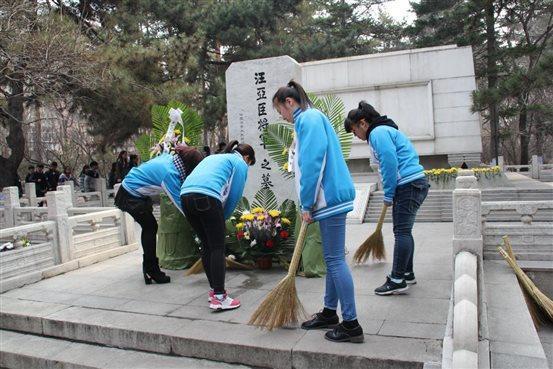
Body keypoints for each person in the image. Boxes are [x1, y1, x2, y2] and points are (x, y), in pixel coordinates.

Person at [272, 80, 363, 343]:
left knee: (334, 260)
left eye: (281, 111)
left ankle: (351, 324)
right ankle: (329, 312)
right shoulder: (309, 119)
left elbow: (313, 164)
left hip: (328, 198)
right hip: (330, 197)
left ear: (289, 103)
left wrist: (307, 204)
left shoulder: (308, 119)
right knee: (332, 258)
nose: (283, 117)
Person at [344, 101, 429, 296]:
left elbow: (389, 162)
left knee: (401, 232)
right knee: (404, 231)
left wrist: (389, 193)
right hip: (414, 184)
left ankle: (397, 279)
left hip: (408, 185)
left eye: (355, 131)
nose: (357, 136)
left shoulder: (378, 133)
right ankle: (407, 273)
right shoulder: (384, 130)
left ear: (363, 123)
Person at [180, 140, 255, 311]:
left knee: (207, 246)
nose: (248, 166)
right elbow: (235, 195)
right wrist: (223, 218)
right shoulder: (239, 163)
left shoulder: (214, 158)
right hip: (206, 197)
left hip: (185, 197)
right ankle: (220, 298)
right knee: (217, 247)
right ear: (247, 157)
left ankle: (215, 291)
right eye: (250, 163)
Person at [115, 146, 203, 284]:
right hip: (130, 195)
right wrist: (203, 224)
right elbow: (182, 206)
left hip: (130, 191)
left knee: (149, 227)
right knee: (150, 228)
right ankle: (151, 270)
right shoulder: (169, 174)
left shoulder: (170, 159)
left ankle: (149, 269)